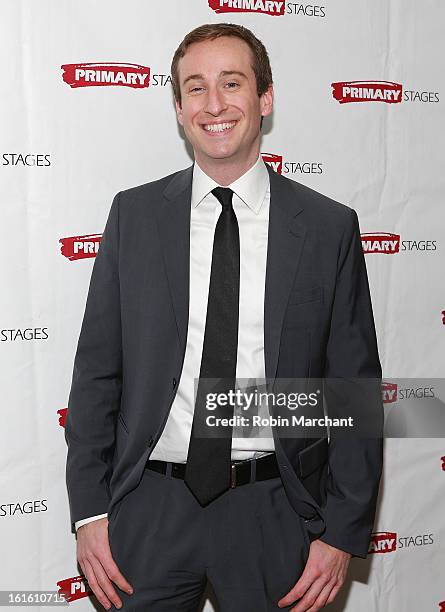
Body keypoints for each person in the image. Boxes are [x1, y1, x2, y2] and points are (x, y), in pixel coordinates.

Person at [65, 22, 383, 612]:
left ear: (265, 99)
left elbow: (353, 392)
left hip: (276, 512)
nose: (214, 105)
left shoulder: (326, 227)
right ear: (180, 109)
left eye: (232, 84)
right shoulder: (133, 216)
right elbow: (95, 376)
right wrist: (89, 510)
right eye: (195, 88)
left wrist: (341, 531)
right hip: (150, 511)